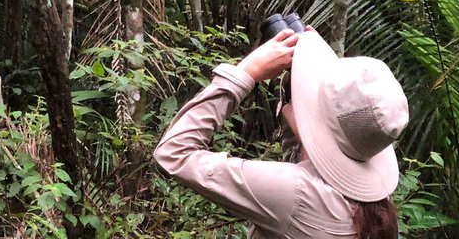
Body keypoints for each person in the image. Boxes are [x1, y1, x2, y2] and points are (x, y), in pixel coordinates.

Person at [153, 27, 409, 239]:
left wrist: (246, 73)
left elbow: (174, 153)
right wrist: (296, 87)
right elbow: (310, 158)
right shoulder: (374, 209)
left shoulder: (294, 192)